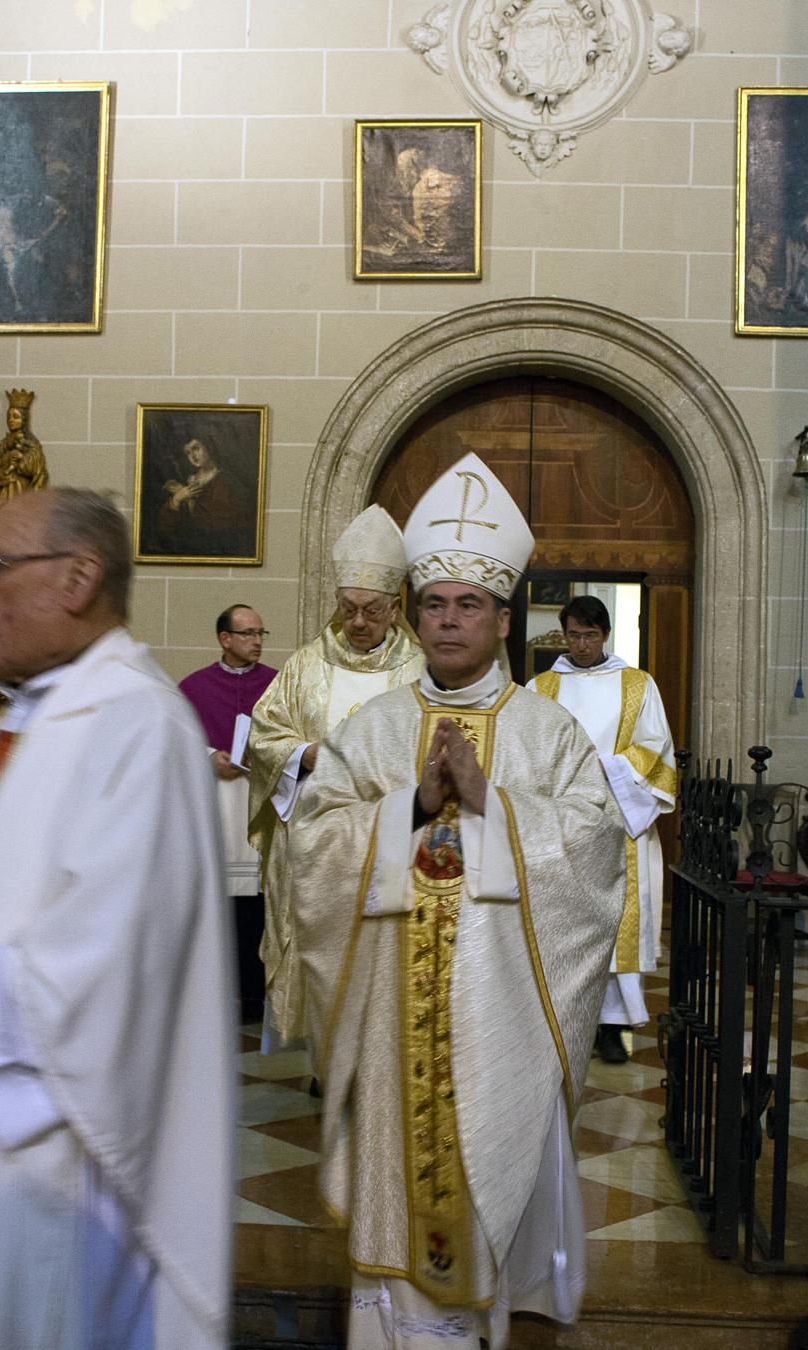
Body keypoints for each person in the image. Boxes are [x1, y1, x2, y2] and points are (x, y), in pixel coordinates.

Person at [289, 454, 627, 1349]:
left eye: (467, 604)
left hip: (502, 1023)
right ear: (413, 613)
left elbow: (597, 848)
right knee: (399, 1193)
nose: (447, 620)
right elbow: (313, 844)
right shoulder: (376, 728)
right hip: (395, 1022)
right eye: (433, 603)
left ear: (503, 618)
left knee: (492, 1187)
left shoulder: (546, 732)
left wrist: (490, 802)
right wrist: (408, 808)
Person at [0, 488, 237, 1349]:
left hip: (45, 1165)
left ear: (76, 578)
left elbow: (103, 967)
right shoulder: (16, 726)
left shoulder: (138, 726)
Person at [248, 504, 424, 1049]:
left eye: (371, 610)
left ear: (395, 609)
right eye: (348, 608)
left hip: (386, 836)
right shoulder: (305, 665)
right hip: (316, 837)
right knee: (320, 941)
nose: (358, 622)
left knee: (378, 945)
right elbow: (263, 732)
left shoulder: (418, 671)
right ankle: (324, 1048)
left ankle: (374, 1049)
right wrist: (302, 756)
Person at [528, 594, 676, 1064]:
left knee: (614, 923)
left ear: (605, 634)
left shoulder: (637, 685)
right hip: (561, 824)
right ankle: (566, 1022)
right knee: (567, 924)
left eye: (591, 636)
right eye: (574, 635)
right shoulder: (541, 687)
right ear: (563, 633)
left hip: (618, 819)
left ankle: (611, 1027)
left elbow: (656, 749)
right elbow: (526, 753)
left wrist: (605, 770)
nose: (582, 644)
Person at [179, 605, 277, 1018]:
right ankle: (215, 996)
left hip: (260, 806)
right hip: (217, 808)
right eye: (248, 633)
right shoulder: (194, 687)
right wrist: (208, 758)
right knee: (219, 905)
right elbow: (177, 745)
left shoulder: (278, 685)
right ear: (225, 639)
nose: (256, 641)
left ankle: (255, 998)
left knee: (258, 905)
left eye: (260, 633)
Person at [157, 437, 248, 557]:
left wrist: (190, 501)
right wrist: (176, 499)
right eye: (188, 452)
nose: (192, 456)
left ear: (208, 446)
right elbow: (164, 528)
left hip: (216, 549)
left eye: (196, 448)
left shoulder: (225, 481)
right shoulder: (188, 479)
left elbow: (228, 522)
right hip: (186, 550)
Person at [0, 389, 49, 517]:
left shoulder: (30, 442)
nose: (11, 420)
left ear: (24, 419)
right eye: (9, 416)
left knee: (16, 517)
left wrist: (21, 459)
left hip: (18, 486)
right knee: (0, 517)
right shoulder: (5, 442)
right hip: (1, 487)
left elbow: (36, 467)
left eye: (16, 417)